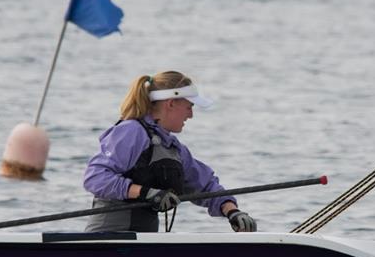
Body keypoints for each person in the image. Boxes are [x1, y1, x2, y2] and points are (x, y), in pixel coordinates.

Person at [83, 70, 257, 233]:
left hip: (144, 242)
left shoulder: (173, 147)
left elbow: (206, 185)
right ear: (171, 103)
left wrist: (232, 211)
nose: (191, 115)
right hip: (107, 239)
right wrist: (145, 192)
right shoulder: (131, 131)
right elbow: (96, 177)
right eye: (189, 107)